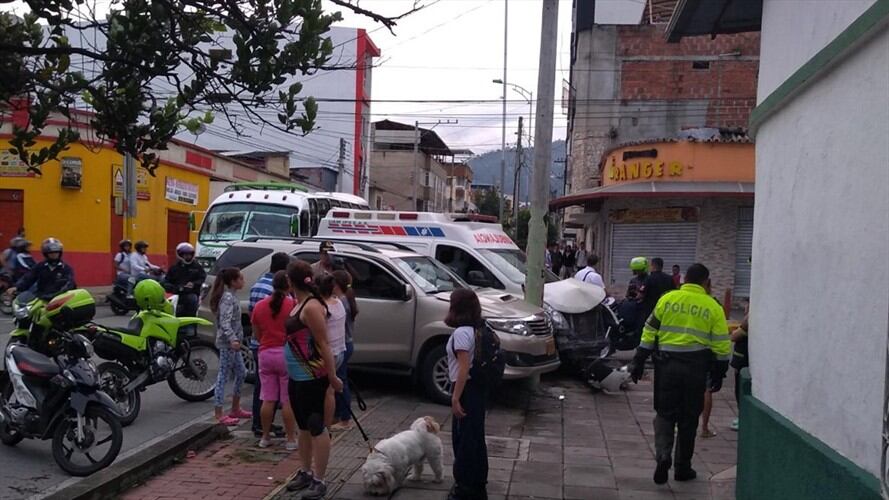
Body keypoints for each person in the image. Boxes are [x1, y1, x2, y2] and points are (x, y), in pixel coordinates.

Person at [628, 263, 730, 485]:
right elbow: (722, 344)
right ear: (706, 282)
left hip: (667, 368)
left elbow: (649, 330)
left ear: (684, 280)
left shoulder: (668, 299)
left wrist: (638, 360)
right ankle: (683, 468)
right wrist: (720, 373)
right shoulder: (713, 306)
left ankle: (663, 455)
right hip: (695, 369)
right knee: (689, 418)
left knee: (664, 414)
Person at [284, 260, 343, 499]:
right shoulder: (299, 304)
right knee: (303, 426)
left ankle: (319, 479)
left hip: (312, 376)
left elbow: (323, 343)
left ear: (290, 281)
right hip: (297, 376)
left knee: (316, 426)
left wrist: (332, 375)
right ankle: (306, 471)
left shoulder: (310, 307)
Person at [446, 288, 489, 500]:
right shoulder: (477, 329)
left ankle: (464, 487)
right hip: (476, 392)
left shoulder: (462, 332)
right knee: (475, 437)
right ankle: (477, 484)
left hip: (466, 391)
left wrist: (455, 397)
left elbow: (463, 368)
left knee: (464, 440)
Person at [251, 271, 298, 449]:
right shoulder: (291, 304)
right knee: (287, 399)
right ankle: (290, 439)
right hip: (286, 353)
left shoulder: (260, 306)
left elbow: (257, 334)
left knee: (268, 398)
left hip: (265, 353)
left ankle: (265, 437)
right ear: (288, 286)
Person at [210, 267, 251, 426]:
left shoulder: (231, 297)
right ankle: (219, 412)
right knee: (223, 376)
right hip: (228, 344)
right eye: (240, 278)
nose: (243, 281)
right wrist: (233, 339)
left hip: (234, 343)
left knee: (241, 372)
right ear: (233, 282)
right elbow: (224, 323)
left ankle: (235, 407)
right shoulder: (228, 298)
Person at [317, 273, 347, 429]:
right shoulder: (339, 303)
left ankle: (323, 425)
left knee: (324, 392)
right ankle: (327, 426)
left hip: (328, 354)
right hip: (339, 351)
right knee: (329, 391)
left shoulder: (322, 308)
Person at [331, 270, 358, 432]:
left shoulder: (341, 302)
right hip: (347, 343)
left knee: (340, 381)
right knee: (340, 380)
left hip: (343, 344)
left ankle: (345, 418)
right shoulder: (346, 299)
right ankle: (339, 414)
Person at [7, 238, 76, 300]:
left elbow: (70, 284)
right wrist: (17, 287)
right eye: (51, 252)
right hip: (41, 298)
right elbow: (29, 278)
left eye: (56, 252)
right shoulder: (40, 266)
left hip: (59, 299)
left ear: (60, 253)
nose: (54, 254)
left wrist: (58, 294)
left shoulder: (66, 268)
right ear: (45, 253)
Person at [164, 242, 206, 318]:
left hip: (191, 293)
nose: (188, 256)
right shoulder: (174, 268)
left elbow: (203, 278)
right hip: (176, 294)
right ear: (180, 255)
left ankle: (191, 321)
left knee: (193, 299)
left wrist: (194, 284)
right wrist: (176, 288)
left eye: (190, 254)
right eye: (186, 254)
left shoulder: (197, 267)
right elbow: (166, 282)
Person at [729, 313, 750, 432]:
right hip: (741, 360)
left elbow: (734, 336)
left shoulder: (749, 319)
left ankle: (742, 417)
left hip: (742, 361)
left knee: (740, 390)